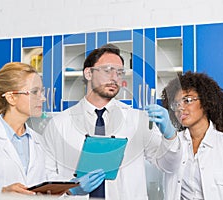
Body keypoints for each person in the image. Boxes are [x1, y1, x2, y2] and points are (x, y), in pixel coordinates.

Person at [43, 44, 182, 199]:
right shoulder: (58, 124)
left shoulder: (138, 120)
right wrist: (70, 189)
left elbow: (169, 166)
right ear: (88, 73)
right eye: (108, 70)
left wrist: (170, 136)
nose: (115, 77)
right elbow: (45, 178)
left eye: (120, 72)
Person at [0, 62, 105, 196]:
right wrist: (2, 191)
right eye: (35, 92)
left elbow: (48, 186)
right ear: (11, 97)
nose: (43, 98)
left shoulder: (38, 140)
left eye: (41, 92)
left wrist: (71, 189)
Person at [158, 71, 223, 199]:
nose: (180, 108)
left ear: (205, 102)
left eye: (187, 100)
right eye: (176, 104)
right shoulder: (173, 144)